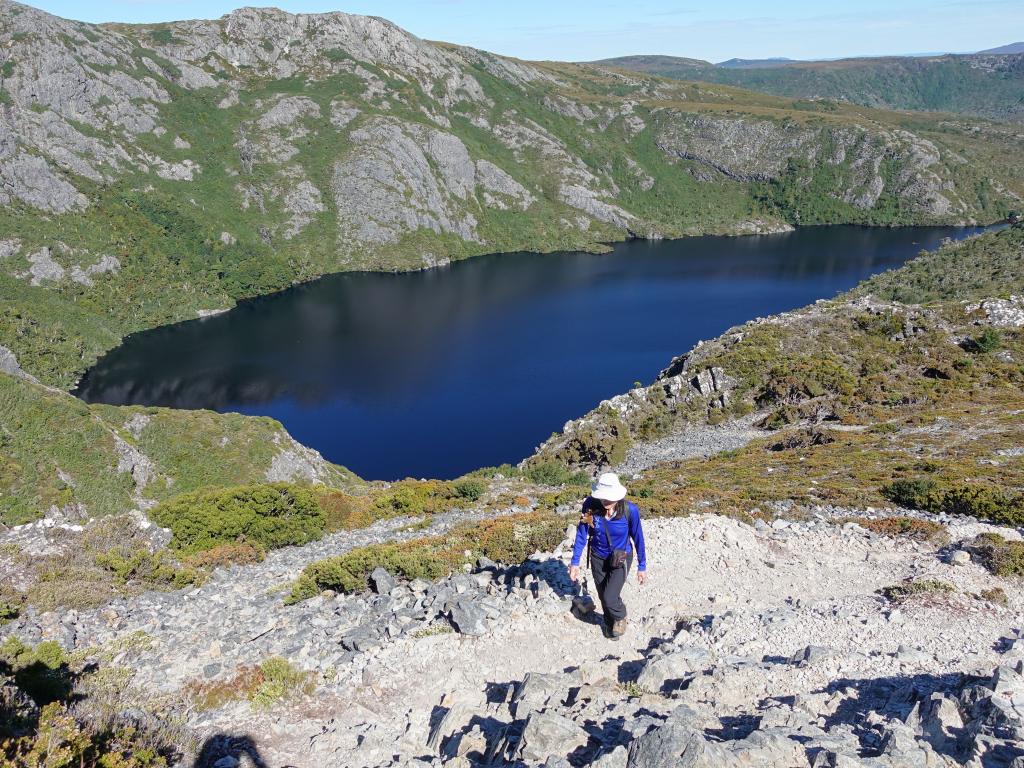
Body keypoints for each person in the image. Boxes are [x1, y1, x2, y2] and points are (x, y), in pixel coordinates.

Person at [568, 472, 647, 639]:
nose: (605, 501)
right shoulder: (590, 505)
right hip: (597, 556)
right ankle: (610, 623)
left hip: (621, 557)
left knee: (610, 597)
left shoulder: (629, 510)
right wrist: (575, 563)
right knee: (603, 595)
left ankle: (620, 616)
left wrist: (642, 566)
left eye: (609, 498)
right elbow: (582, 534)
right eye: (603, 497)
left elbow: (638, 537)